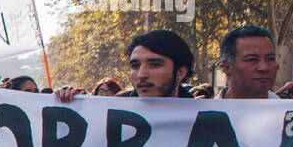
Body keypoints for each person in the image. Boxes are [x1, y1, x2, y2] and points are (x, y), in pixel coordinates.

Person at [56, 30, 193, 102]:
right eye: (135, 65)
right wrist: (71, 105)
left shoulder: (202, 119)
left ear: (180, 73)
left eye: (155, 65)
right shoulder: (113, 110)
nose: (141, 75)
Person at [217, 25, 278, 99]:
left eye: (270, 59)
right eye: (252, 59)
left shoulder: (287, 109)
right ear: (227, 66)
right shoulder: (205, 109)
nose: (264, 67)